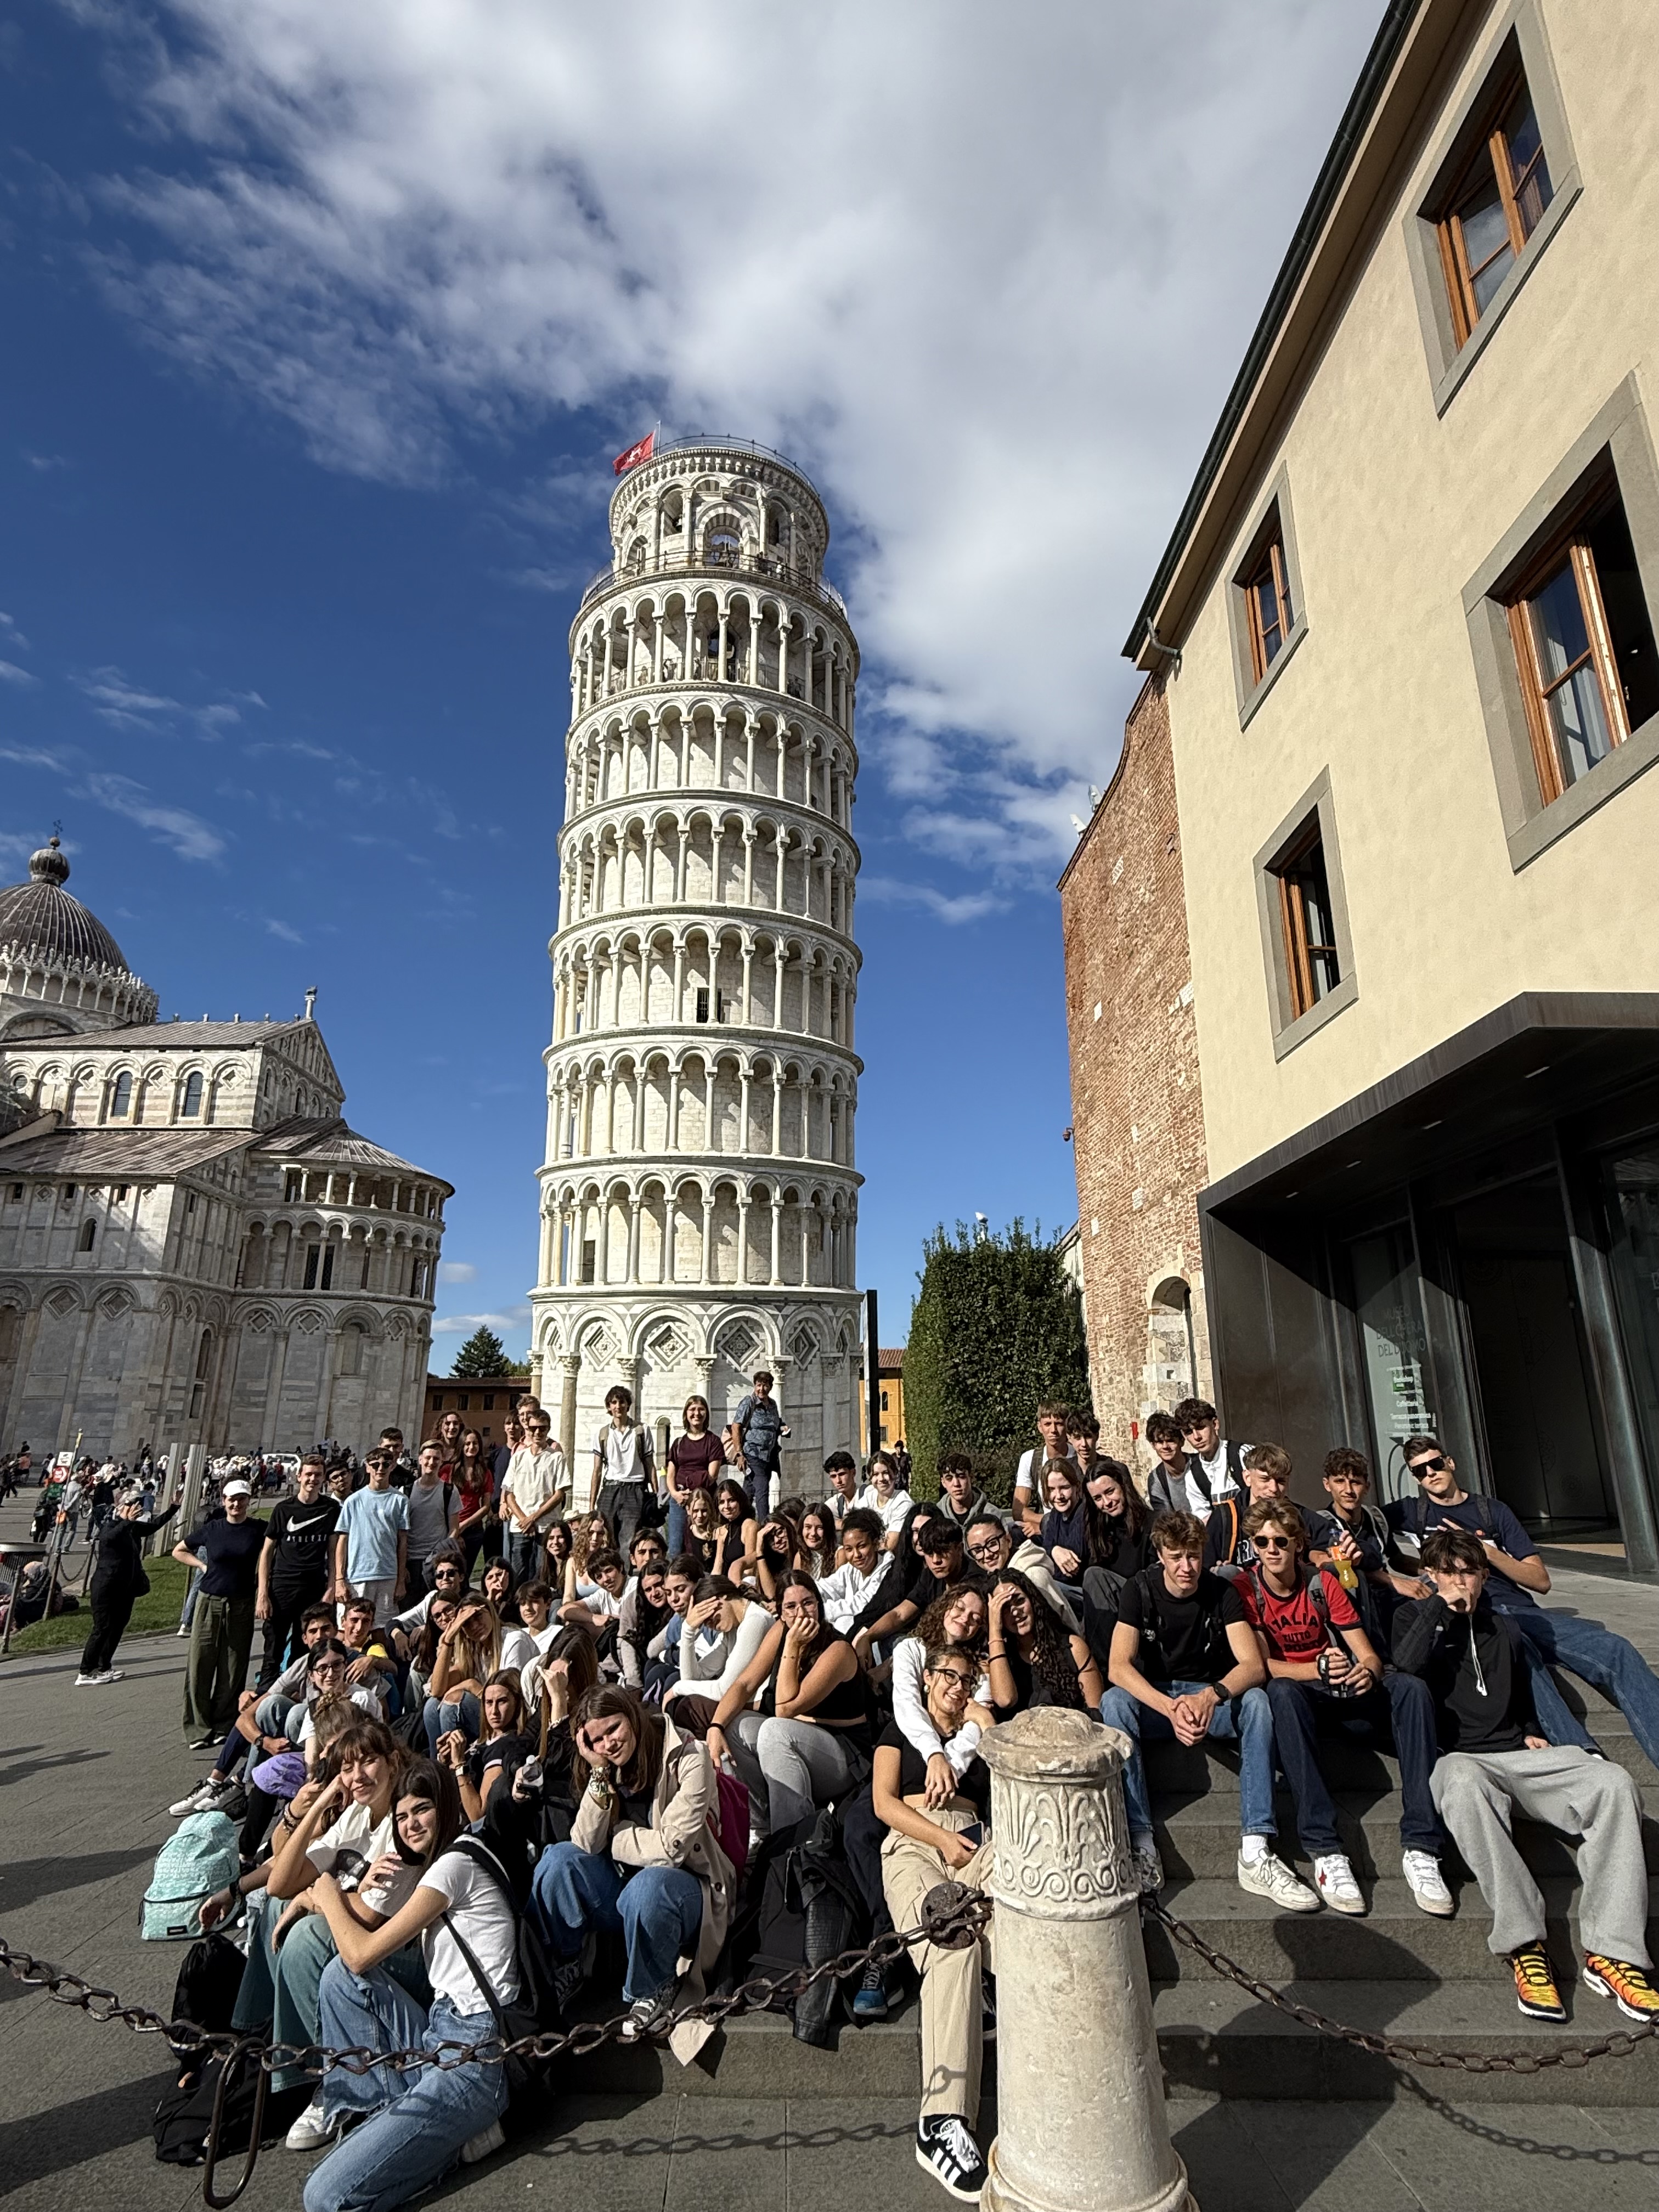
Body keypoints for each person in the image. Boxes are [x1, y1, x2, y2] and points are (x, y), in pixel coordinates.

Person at [1393, 1528, 1659, 2024]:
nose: (1460, 1582)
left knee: (1615, 1783)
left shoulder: (1505, 1628)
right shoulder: (1412, 1618)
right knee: (1462, 1782)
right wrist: (1438, 1608)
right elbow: (1404, 1666)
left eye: (1468, 1572)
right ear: (1430, 1576)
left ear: (1484, 1576)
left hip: (1519, 1756)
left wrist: (1535, 1729)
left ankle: (1613, 1952)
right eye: (1447, 1572)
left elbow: (1518, 1693)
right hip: (1461, 1759)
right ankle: (1525, 1946)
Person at [297, 1760, 513, 2205]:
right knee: (338, 1980)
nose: (410, 1825)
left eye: (422, 1810)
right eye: (401, 1817)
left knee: (324, 2196)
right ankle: (385, 2119)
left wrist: (329, 1893)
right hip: (442, 2030)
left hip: (477, 2056)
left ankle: (430, 2141)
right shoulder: (453, 1855)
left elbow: (361, 1953)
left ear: (445, 1808)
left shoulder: (453, 1868)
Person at [1385, 1435, 1659, 1773]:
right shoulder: (1412, 1511)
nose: (1430, 1473)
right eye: (1420, 1471)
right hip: (1477, 1617)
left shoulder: (1492, 1511)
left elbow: (1540, 1581)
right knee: (1517, 1647)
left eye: (1435, 1464)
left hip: (1518, 1608)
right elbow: (1360, 1526)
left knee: (1616, 1649)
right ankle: (1586, 1758)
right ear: (1415, 1478)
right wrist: (1405, 1573)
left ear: (1450, 1462)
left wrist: (1485, 1551)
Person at [1238, 1498, 1452, 1918]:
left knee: (1410, 1689)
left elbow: (1366, 1653)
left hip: (1342, 1685)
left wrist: (1368, 1673)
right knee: (1279, 1692)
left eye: (1281, 1541)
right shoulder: (1248, 1590)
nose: (1271, 1549)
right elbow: (1262, 1666)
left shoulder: (1322, 1583)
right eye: (1261, 1542)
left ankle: (1422, 1845)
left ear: (1298, 1544)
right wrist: (1315, 1666)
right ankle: (1324, 1849)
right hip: (1302, 1694)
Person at [1102, 1510, 1315, 1906]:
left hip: (1209, 1695)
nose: (1187, 1567)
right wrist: (1170, 1708)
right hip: (1158, 1699)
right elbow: (1118, 1667)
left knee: (1256, 1702)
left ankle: (1255, 1846)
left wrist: (1209, 1697)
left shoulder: (1221, 1591)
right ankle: (1141, 1839)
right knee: (1114, 1703)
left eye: (1195, 1556)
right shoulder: (1140, 1589)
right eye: (1178, 1556)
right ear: (1161, 1556)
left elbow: (1253, 1665)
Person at [529, 1684, 734, 2055]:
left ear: (633, 1716)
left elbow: (673, 1848)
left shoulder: (690, 1755)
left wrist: (619, 1836)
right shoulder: (604, 1766)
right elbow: (587, 1843)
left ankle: (651, 1987)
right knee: (558, 1861)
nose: (609, 1743)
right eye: (598, 1739)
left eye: (614, 1729)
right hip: (626, 1887)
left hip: (688, 1891)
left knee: (649, 1886)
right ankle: (566, 1965)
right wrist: (598, 1773)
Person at [872, 1639, 997, 2202]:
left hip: (981, 1842)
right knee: (954, 1942)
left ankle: (988, 1992)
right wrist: (942, 1838)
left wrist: (984, 1719)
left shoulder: (977, 1733)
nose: (956, 1685)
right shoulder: (900, 1731)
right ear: (925, 1680)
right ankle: (941, 2122)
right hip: (917, 1842)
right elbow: (883, 1803)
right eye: (947, 1675)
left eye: (967, 1679)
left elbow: (1014, 1776)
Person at [707, 1572, 873, 1835]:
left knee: (775, 1730)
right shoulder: (779, 1631)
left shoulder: (838, 1650)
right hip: (799, 1735)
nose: (801, 1614)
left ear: (819, 1605)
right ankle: (760, 1827)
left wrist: (793, 1646)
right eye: (791, 1607)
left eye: (808, 1603)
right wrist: (715, 1727)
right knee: (735, 1726)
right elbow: (744, 1684)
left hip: (844, 1752)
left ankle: (792, 1838)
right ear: (781, 1613)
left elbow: (784, 1709)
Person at [172, 1477, 265, 1748]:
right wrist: (201, 1567)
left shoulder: (258, 1529)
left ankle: (225, 1722)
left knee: (234, 1665)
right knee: (201, 1662)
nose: (236, 1503)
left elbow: (275, 1546)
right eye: (232, 1499)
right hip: (210, 1600)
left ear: (249, 1501)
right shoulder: (212, 1529)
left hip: (242, 1601)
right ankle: (197, 1728)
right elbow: (179, 1550)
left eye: (242, 1498)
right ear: (224, 1500)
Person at [75, 1480, 180, 1686]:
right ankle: (85, 1672)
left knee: (117, 1627)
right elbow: (108, 1539)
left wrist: (173, 1509)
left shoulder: (132, 1528)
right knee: (102, 1627)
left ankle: (104, 1666)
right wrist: (126, 1521)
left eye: (138, 1505)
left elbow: (152, 1527)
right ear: (121, 1507)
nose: (137, 1508)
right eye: (132, 1504)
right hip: (106, 1586)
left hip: (125, 1587)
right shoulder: (111, 1525)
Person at [256, 1455, 341, 1689]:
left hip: (313, 1587)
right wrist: (263, 1593)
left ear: (324, 1479)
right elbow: (267, 1553)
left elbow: (333, 1551)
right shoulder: (284, 1509)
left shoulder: (331, 1509)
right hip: (282, 1587)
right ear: (299, 1476)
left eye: (318, 1475)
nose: (313, 1479)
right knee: (273, 1649)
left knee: (306, 1650)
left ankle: (300, 1696)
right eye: (309, 1474)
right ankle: (266, 1698)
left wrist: (331, 1587)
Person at [662, 1573, 772, 1734]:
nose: (709, 1624)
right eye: (704, 1622)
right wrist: (688, 1630)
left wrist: (677, 1688)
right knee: (681, 1701)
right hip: (741, 1703)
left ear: (722, 1597)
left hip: (758, 1705)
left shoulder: (756, 1620)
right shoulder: (732, 1629)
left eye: (709, 1616)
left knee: (690, 1707)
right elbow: (693, 1677)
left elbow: (725, 1690)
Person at [985, 1568, 1102, 1717]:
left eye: (1020, 1601)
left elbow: (1096, 1713)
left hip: (1072, 1735)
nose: (1015, 1612)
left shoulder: (1073, 1648)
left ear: (1033, 1600)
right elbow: (1006, 1700)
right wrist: (994, 1629)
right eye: (1004, 1609)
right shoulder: (1000, 1659)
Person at [440, 1671, 535, 1824]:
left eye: (502, 1701)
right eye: (489, 1703)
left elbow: (477, 1814)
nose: (494, 1712)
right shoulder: (484, 1740)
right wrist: (445, 1760)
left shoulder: (505, 1745)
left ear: (517, 1702)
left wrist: (459, 1764)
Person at [331, 1450, 409, 1625]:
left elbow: (402, 1543)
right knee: (352, 1630)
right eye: (375, 1465)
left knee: (383, 1628)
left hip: (387, 1575)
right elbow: (342, 1542)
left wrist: (401, 1580)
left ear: (392, 1466)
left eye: (385, 1465)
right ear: (367, 1468)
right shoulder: (353, 1501)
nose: (380, 1469)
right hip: (356, 1576)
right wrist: (339, 1580)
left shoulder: (400, 1500)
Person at [1203, 1443, 1295, 1575]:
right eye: (1265, 1479)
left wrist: (1317, 1556)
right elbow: (1204, 1566)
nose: (1274, 1489)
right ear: (1247, 1478)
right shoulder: (1225, 1516)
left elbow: (1327, 1538)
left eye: (1281, 1481)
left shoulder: (1295, 1514)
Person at [587, 1386, 658, 1556]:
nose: (618, 1406)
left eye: (622, 1402)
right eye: (614, 1403)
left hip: (634, 1489)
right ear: (609, 1407)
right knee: (605, 1538)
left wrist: (657, 1495)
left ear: (628, 1405)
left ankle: (624, 1578)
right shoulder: (602, 1433)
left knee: (629, 1539)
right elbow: (597, 1470)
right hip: (610, 1489)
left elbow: (650, 1464)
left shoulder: (641, 1431)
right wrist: (591, 1505)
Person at [501, 1408, 568, 1581]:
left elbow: (559, 1494)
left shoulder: (557, 1457)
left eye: (542, 1428)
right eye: (533, 1428)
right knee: (518, 1574)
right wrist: (525, 1519)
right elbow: (509, 1493)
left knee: (542, 1573)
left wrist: (534, 1517)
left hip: (546, 1526)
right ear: (527, 1429)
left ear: (548, 1429)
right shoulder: (518, 1457)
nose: (538, 1432)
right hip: (520, 1526)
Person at [725, 1368, 789, 1519]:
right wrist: (740, 1454)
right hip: (753, 1455)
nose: (762, 1389)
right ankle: (764, 1524)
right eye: (759, 1385)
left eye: (766, 1385)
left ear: (771, 1387)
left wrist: (783, 1428)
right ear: (755, 1386)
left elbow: (775, 1424)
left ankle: (738, 1521)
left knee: (748, 1493)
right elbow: (736, 1426)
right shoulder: (749, 1402)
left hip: (769, 1456)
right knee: (762, 1490)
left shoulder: (772, 1404)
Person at [665, 1395, 724, 1557]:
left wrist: (690, 1487)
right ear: (686, 1414)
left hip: (704, 1500)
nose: (696, 1413)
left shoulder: (713, 1442)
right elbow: (671, 1472)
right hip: (679, 1500)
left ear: (706, 1414)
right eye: (692, 1410)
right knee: (676, 1548)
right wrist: (675, 1494)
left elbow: (712, 1475)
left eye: (701, 1409)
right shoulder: (678, 1443)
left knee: (704, 1547)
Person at [1171, 1397, 1249, 1515]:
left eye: (1201, 1427)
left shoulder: (1243, 1455)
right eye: (1189, 1432)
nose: (1197, 1437)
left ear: (1215, 1424)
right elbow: (1206, 1523)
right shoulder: (1194, 1477)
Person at [817, 1508, 888, 1632]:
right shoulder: (850, 1570)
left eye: (862, 1546)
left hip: (876, 1633)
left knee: (844, 1622)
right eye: (849, 1549)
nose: (856, 1555)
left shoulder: (887, 1571)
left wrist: (818, 1611)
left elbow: (860, 1605)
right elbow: (826, 1587)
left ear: (876, 1544)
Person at [1011, 1401, 1076, 1534]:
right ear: (1040, 1427)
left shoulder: (1078, 1456)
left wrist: (1046, 1524)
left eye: (1059, 1424)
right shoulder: (1030, 1459)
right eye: (1047, 1424)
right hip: (1045, 1525)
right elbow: (1018, 1511)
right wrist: (1047, 1522)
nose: (1053, 1430)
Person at [404, 1440, 458, 1594]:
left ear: (441, 1462)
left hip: (437, 1561)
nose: (431, 1462)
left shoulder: (449, 1491)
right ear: (420, 1459)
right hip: (411, 1560)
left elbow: (454, 1528)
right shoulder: (406, 1492)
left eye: (436, 1459)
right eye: (428, 1458)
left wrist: (442, 1554)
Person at [855, 1452, 915, 1548]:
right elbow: (853, 1528)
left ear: (895, 1474)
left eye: (886, 1473)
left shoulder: (902, 1502)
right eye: (876, 1474)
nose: (881, 1478)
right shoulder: (868, 1496)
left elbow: (890, 1546)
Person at [933, 1453, 998, 1538]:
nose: (956, 1484)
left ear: (971, 1477)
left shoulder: (992, 1514)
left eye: (961, 1477)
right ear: (943, 1482)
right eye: (949, 1479)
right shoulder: (936, 1517)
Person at [709, 1477, 759, 1584]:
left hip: (744, 1585)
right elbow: (718, 1568)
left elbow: (750, 1570)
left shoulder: (750, 1526)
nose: (727, 1506)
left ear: (740, 1501)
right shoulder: (723, 1530)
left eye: (731, 1500)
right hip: (725, 1585)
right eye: (722, 1502)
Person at [822, 1451, 861, 1528]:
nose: (838, 1481)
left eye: (842, 1474)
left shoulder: (867, 1494)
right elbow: (820, 1519)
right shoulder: (836, 1501)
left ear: (853, 1473)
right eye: (833, 1476)